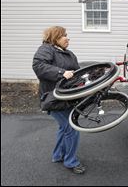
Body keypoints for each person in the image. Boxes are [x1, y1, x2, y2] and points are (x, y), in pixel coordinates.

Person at [32, 26, 86, 174]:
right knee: (71, 128)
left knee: (64, 128)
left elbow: (77, 73)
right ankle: (70, 161)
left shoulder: (69, 54)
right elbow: (38, 66)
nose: (67, 38)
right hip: (52, 98)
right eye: (64, 36)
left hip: (67, 98)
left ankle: (58, 156)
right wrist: (62, 73)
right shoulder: (46, 49)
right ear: (55, 37)